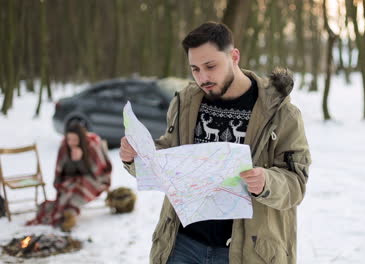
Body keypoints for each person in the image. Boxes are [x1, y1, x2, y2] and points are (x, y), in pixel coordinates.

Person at [120, 22, 310, 263]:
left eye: (210, 66)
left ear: (234, 56)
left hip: (245, 251)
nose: (203, 77)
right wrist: (136, 157)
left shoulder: (281, 114)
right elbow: (167, 156)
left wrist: (266, 181)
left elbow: (296, 184)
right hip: (181, 244)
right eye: (195, 69)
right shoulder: (185, 103)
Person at [27, 122, 112, 231]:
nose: (71, 143)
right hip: (71, 179)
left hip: (92, 179)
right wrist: (73, 162)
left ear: (81, 139)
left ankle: (70, 212)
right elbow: (61, 172)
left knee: (79, 185)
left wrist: (80, 161)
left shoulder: (91, 146)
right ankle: (66, 212)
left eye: (75, 140)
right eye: (69, 139)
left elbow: (97, 172)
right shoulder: (64, 147)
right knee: (70, 187)